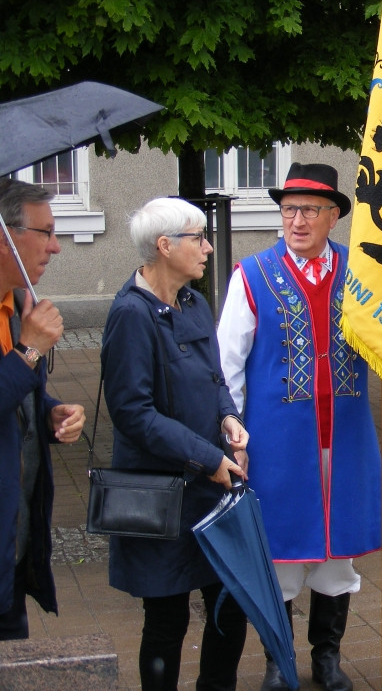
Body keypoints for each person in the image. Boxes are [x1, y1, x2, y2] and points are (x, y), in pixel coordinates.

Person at [218, 162, 382, 691]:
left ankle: (327, 657)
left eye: (310, 210)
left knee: (337, 558)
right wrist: (234, 433)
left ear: (333, 216)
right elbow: (227, 367)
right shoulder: (251, 275)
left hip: (347, 439)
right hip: (279, 445)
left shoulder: (361, 278)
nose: (297, 221)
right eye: (289, 210)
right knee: (281, 556)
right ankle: (277, 658)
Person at [100, 197, 249, 691]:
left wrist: (229, 416)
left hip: (209, 487)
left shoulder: (194, 302)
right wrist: (209, 459)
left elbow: (214, 378)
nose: (208, 247)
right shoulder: (130, 314)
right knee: (167, 623)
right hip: (161, 496)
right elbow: (133, 415)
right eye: (198, 237)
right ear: (164, 246)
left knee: (230, 605)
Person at [0, 179, 85, 640]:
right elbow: (17, 368)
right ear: (4, 234)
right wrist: (29, 351)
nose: (55, 247)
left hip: (14, 544)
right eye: (46, 232)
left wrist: (47, 413)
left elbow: (15, 394)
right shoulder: (25, 323)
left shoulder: (17, 305)